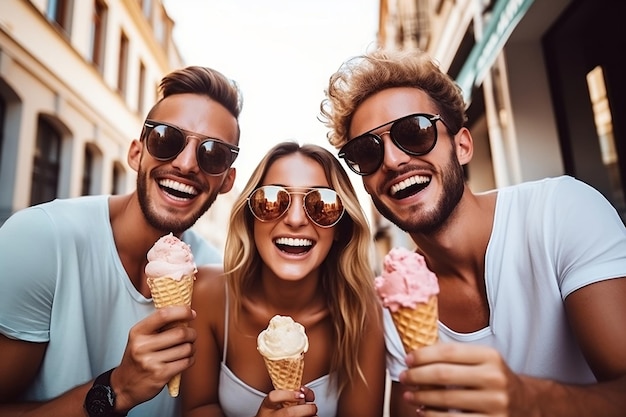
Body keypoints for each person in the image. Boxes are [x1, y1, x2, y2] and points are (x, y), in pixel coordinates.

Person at [319, 48, 626, 416]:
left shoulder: (560, 211)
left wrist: (530, 400)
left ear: (462, 145)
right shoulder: (395, 301)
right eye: (367, 152)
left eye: (413, 132)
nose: (393, 160)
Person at [0, 65, 243, 417]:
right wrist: (117, 389)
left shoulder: (215, 280)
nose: (187, 164)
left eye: (213, 154)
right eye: (166, 139)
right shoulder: (41, 239)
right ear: (136, 153)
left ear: (227, 180)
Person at [180, 142, 386, 417]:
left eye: (321, 204)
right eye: (272, 201)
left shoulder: (364, 312)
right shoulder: (208, 293)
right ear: (251, 218)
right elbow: (198, 407)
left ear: (340, 228)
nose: (297, 219)